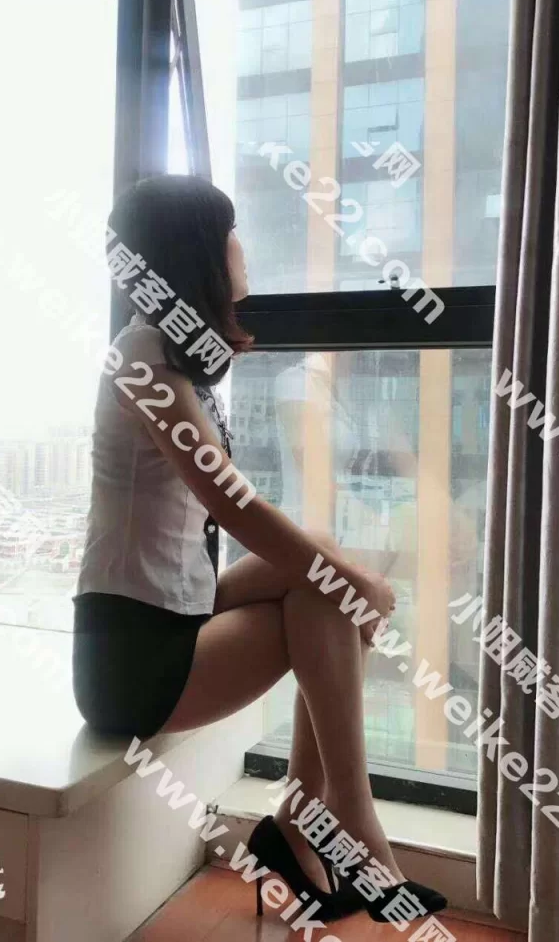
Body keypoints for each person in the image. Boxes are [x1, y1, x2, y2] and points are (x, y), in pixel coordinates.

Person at [72, 174, 447, 923]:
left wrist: (346, 574)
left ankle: (312, 818)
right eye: (229, 232)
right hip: (132, 656)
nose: (241, 247)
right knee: (326, 591)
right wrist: (355, 581)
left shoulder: (177, 357)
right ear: (197, 253)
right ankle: (341, 817)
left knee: (325, 571)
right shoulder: (142, 354)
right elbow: (230, 502)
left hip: (174, 610)